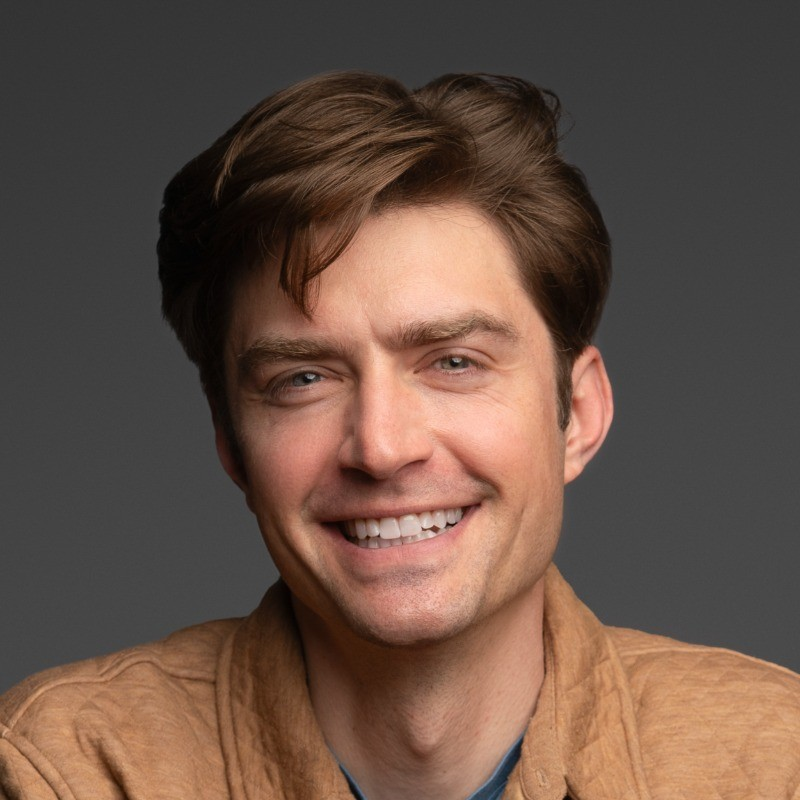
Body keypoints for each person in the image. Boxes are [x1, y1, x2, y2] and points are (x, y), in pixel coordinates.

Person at [1, 71, 798, 800]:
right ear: (232, 444)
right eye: (303, 380)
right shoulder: (68, 771)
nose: (381, 448)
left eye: (454, 362)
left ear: (579, 414)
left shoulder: (774, 764)